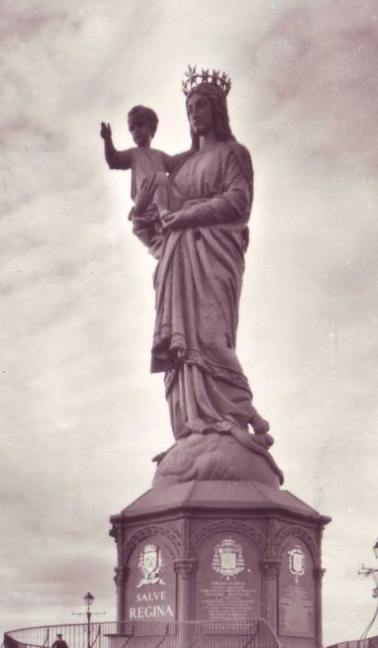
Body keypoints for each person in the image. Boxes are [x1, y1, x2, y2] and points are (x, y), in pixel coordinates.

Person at [137, 67, 274, 456]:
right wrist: (145, 209)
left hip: (214, 253)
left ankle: (242, 417)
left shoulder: (233, 153)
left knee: (211, 337)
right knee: (184, 347)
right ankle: (194, 427)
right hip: (177, 261)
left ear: (218, 111)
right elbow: (154, 227)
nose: (195, 112)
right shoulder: (178, 168)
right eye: (190, 107)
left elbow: (237, 202)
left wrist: (186, 216)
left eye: (202, 105)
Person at [100, 107, 182, 251]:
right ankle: (162, 213)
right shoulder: (133, 154)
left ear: (152, 128)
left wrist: (195, 147)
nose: (136, 130)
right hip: (144, 204)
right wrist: (107, 140)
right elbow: (113, 160)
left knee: (161, 178)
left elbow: (176, 162)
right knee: (158, 177)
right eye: (132, 128)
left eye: (140, 125)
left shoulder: (159, 155)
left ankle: (163, 212)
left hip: (162, 202)